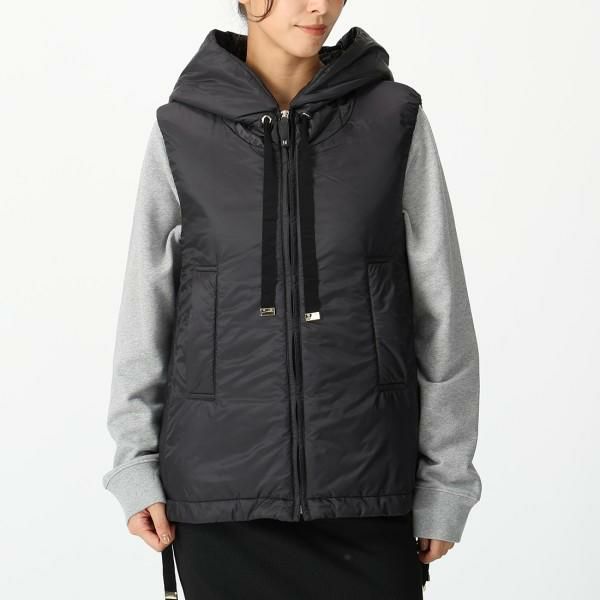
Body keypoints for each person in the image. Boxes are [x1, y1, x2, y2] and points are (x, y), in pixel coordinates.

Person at [101, 1, 482, 598]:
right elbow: (146, 308)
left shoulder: (393, 119)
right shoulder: (182, 129)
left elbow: (443, 310)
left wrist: (446, 481)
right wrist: (133, 464)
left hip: (368, 493)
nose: (320, 5)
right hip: (219, 504)